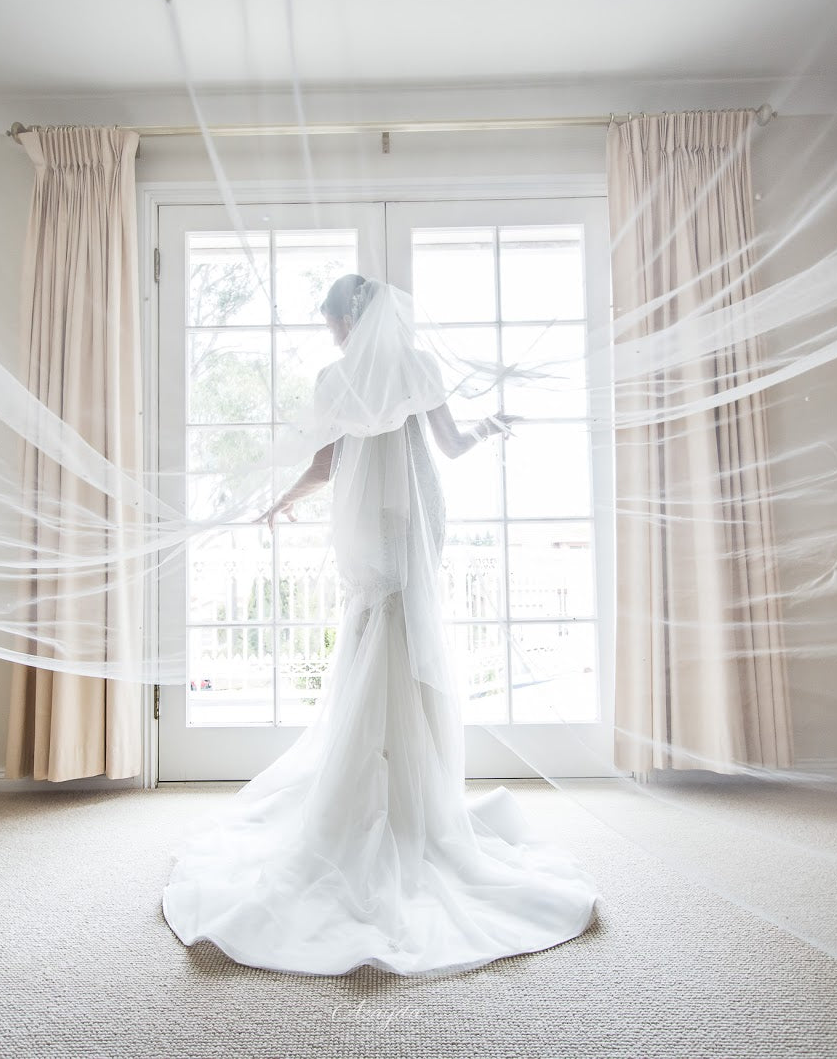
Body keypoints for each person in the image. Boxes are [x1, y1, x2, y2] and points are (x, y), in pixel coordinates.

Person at [161, 274, 601, 977]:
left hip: (370, 524)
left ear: (347, 319)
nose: (334, 335)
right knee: (402, 632)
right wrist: (491, 424)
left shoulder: (336, 381)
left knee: (375, 629)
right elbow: (451, 446)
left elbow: (326, 462)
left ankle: (381, 792)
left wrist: (282, 503)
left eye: (333, 322)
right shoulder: (417, 366)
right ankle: (414, 799)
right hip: (415, 518)